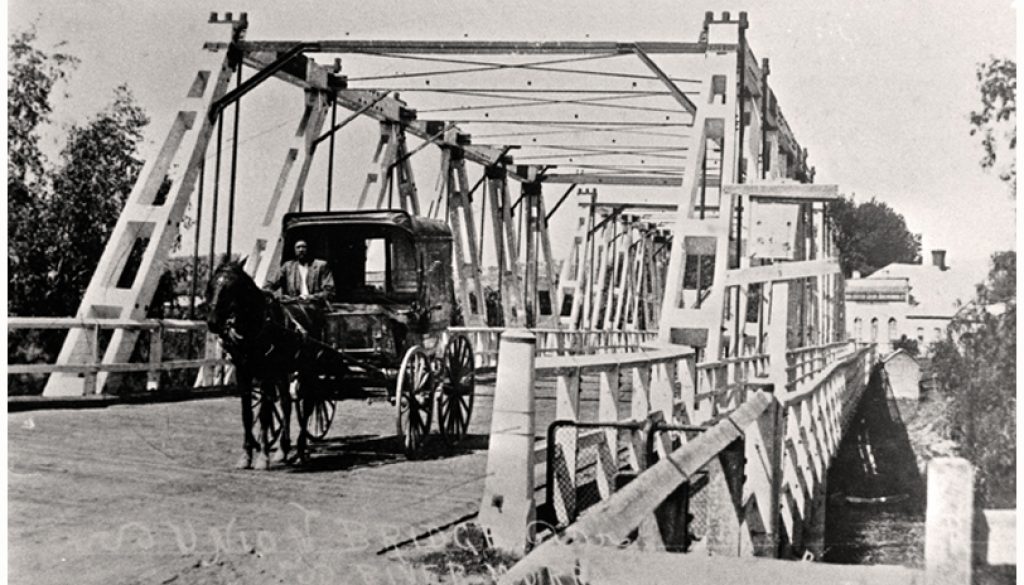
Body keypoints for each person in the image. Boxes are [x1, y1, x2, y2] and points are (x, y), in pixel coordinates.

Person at [264, 239, 335, 339]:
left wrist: (310, 297)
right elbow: (269, 284)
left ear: (309, 249)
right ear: (294, 250)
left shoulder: (321, 266)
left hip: (314, 305)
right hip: (293, 304)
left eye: (304, 247)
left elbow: (329, 291)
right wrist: (275, 295)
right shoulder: (288, 267)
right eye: (298, 247)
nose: (301, 250)